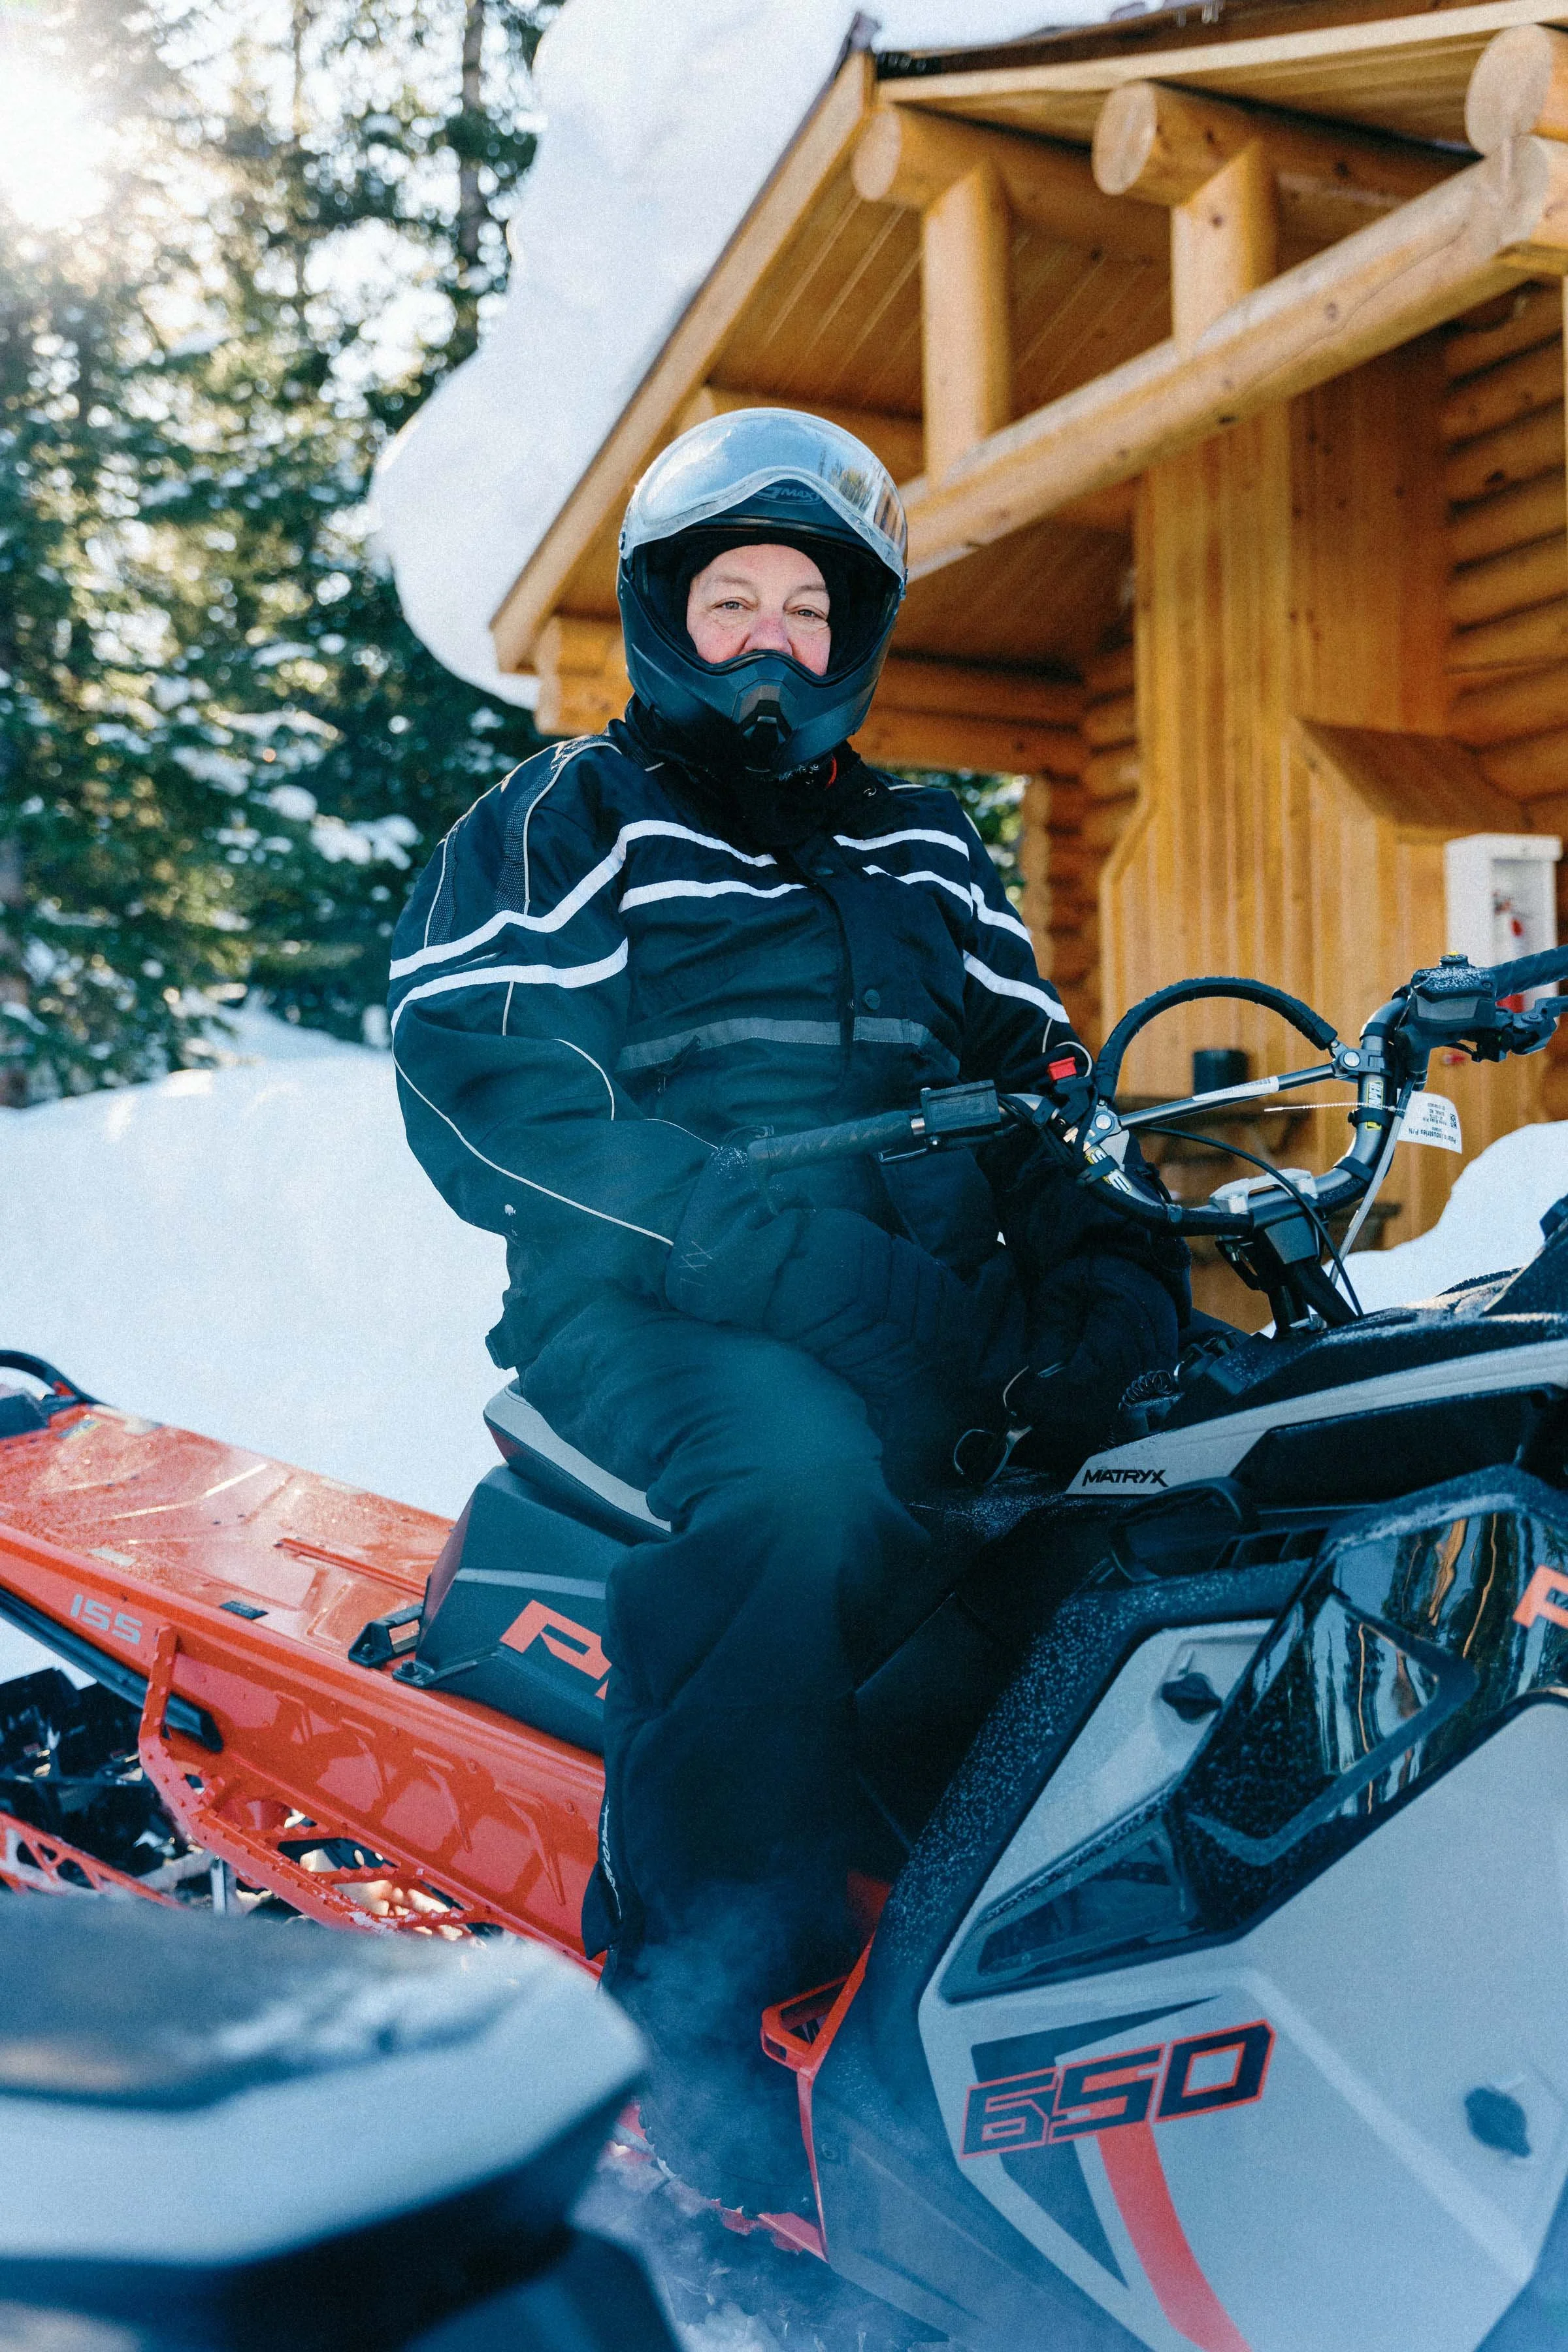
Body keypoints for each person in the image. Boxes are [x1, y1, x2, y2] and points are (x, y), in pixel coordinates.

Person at [388, 410, 1188, 2213]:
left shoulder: (926, 846)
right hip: (650, 1319)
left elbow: (1041, 1092)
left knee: (1171, 1472)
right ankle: (701, 2008)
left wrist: (1108, 1265)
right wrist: (781, 1259)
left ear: (857, 636)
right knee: (806, 1486)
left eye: (806, 608)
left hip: (918, 1301)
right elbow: (490, 1099)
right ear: (669, 613)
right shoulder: (565, 821)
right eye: (731, 596)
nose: (770, 638)